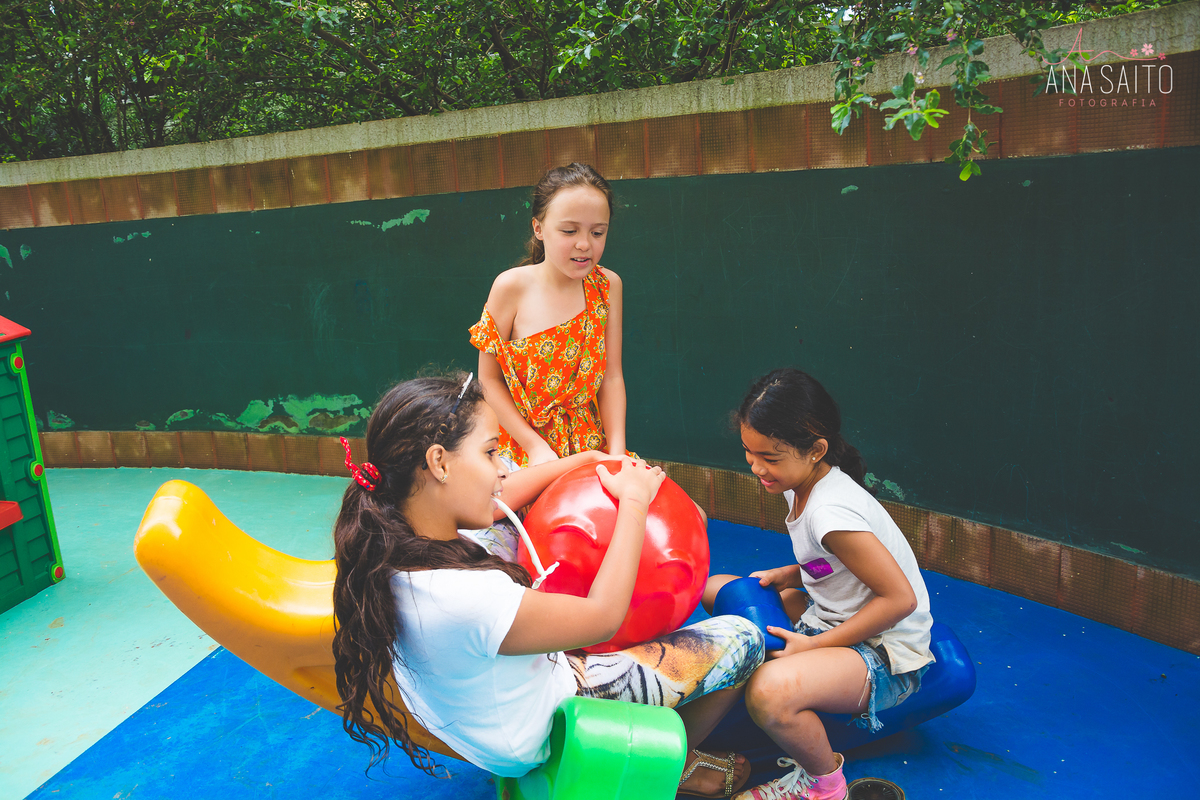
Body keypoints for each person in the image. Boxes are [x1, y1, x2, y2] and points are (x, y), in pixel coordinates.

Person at [332, 374, 765, 798]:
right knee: (744, 639)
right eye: (490, 453)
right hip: (543, 727)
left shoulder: (392, 538)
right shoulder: (463, 597)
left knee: (501, 517)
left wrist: (582, 461)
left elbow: (503, 498)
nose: (501, 469)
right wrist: (634, 499)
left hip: (489, 715)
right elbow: (603, 618)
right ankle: (663, 764)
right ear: (439, 463)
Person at [703, 368, 934, 800]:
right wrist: (790, 574)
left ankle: (824, 786)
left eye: (770, 458)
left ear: (816, 450)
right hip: (829, 617)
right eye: (748, 452)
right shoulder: (801, 482)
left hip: (883, 653)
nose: (756, 467)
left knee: (768, 693)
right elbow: (833, 564)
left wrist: (813, 647)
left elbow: (900, 599)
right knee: (718, 587)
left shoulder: (831, 513)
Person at [469, 163, 630, 468]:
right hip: (522, 452)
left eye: (598, 232)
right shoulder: (510, 287)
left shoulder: (608, 285)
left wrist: (617, 454)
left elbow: (611, 377)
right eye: (569, 231)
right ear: (538, 228)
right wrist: (536, 447)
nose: (584, 244)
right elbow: (488, 381)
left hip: (591, 448)